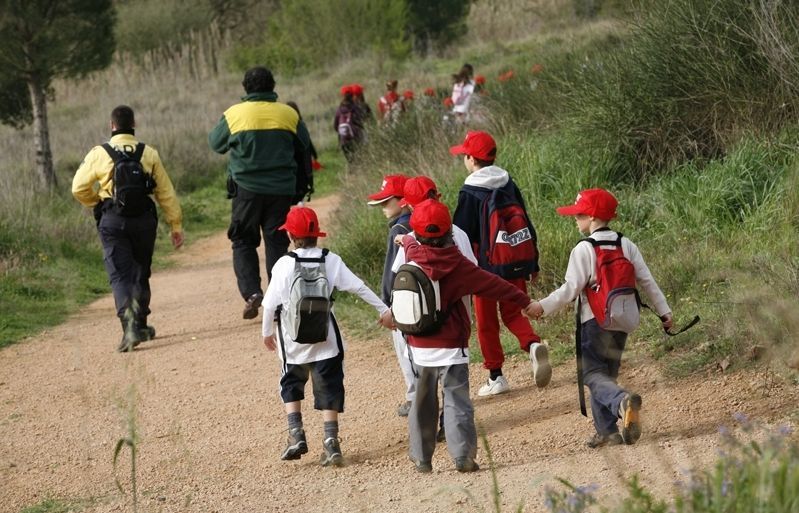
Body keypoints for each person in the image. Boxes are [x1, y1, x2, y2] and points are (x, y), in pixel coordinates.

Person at [399, 199, 539, 473]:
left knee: (422, 402)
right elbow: (496, 286)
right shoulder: (460, 266)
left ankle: (421, 457)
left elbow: (411, 243)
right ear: (449, 233)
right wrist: (525, 302)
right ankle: (463, 456)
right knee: (457, 400)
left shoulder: (412, 253)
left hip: (418, 345)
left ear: (418, 235)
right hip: (452, 348)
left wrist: (405, 240)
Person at [527, 188, 673, 448]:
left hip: (594, 321)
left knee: (592, 374)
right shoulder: (626, 244)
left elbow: (569, 290)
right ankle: (607, 432)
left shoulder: (584, 249)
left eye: (579, 214)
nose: (575, 219)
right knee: (605, 375)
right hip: (623, 320)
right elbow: (647, 281)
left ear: (592, 217)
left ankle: (621, 402)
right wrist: (665, 313)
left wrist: (542, 306)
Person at [261, 206, 393, 466]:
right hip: (326, 340)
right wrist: (384, 310)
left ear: (290, 235)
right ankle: (331, 442)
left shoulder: (284, 264)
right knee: (329, 385)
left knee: (291, 383)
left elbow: (269, 305)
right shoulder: (330, 260)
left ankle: (296, 433)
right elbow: (359, 287)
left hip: (292, 341)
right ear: (316, 235)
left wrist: (267, 333)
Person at [72, 105, 184, 352]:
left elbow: (78, 187)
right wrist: (175, 224)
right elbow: (165, 192)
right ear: (134, 125)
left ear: (112, 126)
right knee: (140, 272)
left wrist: (98, 204)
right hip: (144, 220)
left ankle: (130, 327)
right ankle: (141, 324)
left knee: (120, 274)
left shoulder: (99, 153)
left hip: (112, 220)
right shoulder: (148, 153)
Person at [450, 130, 551, 396]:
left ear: (471, 159)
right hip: (514, 259)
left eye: (465, 155)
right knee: (513, 312)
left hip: (483, 268)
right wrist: (533, 262)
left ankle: (496, 375)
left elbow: (460, 235)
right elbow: (525, 222)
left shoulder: (469, 191)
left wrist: (459, 272)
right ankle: (531, 345)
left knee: (486, 322)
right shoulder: (508, 182)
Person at [209, 66, 312, 321]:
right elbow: (305, 146)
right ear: (273, 86)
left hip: (246, 190)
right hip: (281, 191)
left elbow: (216, 143)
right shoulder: (288, 114)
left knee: (243, 241)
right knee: (276, 242)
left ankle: (252, 293)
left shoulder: (234, 114)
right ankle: (276, 301)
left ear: (245, 88)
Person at [366, 174, 414, 416]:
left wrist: (387, 304)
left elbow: (391, 270)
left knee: (405, 350)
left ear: (403, 201)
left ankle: (414, 397)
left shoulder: (398, 228)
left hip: (401, 300)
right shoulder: (420, 221)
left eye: (387, 201)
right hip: (423, 297)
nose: (383, 207)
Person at [286, 101, 321, 189]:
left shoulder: (285, 125)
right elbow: (308, 141)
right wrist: (314, 154)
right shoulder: (301, 123)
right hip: (303, 156)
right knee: (302, 175)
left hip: (291, 156)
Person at [334, 86, 364, 163]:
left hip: (344, 140)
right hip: (355, 138)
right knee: (358, 160)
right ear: (352, 95)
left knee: (350, 161)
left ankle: (351, 172)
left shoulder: (339, 109)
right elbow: (361, 122)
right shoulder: (356, 108)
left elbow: (335, 126)